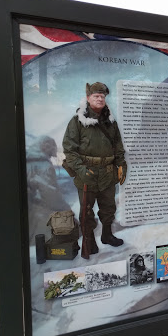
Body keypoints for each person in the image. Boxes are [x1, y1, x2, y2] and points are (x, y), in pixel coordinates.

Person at [63, 82, 127, 259]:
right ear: (88, 98)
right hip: (87, 173)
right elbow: (69, 149)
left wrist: (122, 165)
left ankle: (107, 235)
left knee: (108, 207)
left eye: (103, 96)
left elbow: (118, 146)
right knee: (87, 210)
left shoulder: (110, 121)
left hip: (107, 172)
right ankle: (89, 241)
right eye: (96, 96)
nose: (100, 99)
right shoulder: (77, 121)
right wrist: (80, 169)